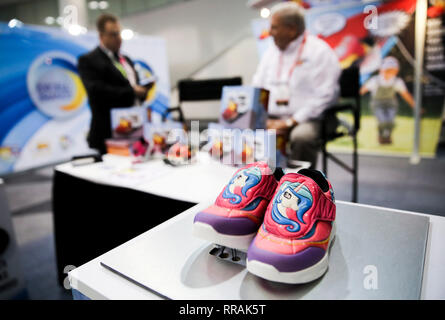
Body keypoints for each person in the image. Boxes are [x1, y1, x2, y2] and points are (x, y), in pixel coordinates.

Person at [252, 2, 341, 169]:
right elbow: (258, 86)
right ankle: (258, 184)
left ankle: (298, 188)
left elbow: (326, 96)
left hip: (311, 119)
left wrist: (291, 122)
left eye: (274, 27)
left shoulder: (319, 51)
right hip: (274, 117)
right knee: (242, 129)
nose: (270, 33)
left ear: (292, 29)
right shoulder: (271, 53)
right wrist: (261, 118)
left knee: (302, 137)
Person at [78, 13, 149, 155]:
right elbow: (96, 91)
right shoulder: (89, 60)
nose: (119, 38)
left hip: (134, 127)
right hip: (108, 131)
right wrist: (132, 92)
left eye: (119, 33)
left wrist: (143, 91)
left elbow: (133, 85)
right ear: (101, 36)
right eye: (113, 34)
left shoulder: (126, 59)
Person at [360, 56, 415, 144]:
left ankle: (388, 137)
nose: (389, 73)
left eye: (392, 71)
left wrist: (415, 106)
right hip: (377, 103)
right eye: (387, 70)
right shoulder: (375, 80)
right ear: (382, 70)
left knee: (390, 121)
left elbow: (405, 94)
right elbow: (362, 90)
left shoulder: (397, 81)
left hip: (391, 103)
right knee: (382, 120)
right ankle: (381, 135)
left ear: (396, 71)